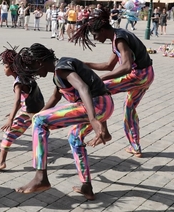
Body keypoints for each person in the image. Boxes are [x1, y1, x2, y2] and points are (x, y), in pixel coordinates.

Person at [14, 43, 114, 200]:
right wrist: (39, 113)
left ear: (39, 62)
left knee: (39, 121)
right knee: (74, 137)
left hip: (96, 105)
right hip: (104, 105)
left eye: (33, 68)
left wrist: (93, 119)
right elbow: (56, 96)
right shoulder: (59, 72)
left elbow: (83, 88)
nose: (35, 74)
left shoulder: (62, 68)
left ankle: (41, 177)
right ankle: (86, 186)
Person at [72, 8, 154, 158]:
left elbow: (127, 66)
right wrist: (84, 64)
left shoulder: (120, 39)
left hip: (139, 76)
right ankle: (135, 146)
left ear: (103, 30)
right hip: (147, 75)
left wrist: (100, 79)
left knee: (99, 89)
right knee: (129, 108)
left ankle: (99, 132)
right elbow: (109, 65)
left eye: (95, 35)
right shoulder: (117, 37)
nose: (95, 39)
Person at [0, 45, 44, 172]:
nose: (4, 69)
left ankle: (1, 162)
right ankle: (40, 160)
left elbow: (17, 100)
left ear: (12, 68)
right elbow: (26, 98)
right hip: (38, 110)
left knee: (8, 134)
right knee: (39, 136)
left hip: (29, 113)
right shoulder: (26, 76)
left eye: (6, 66)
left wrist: (11, 119)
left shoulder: (18, 82)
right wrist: (13, 112)